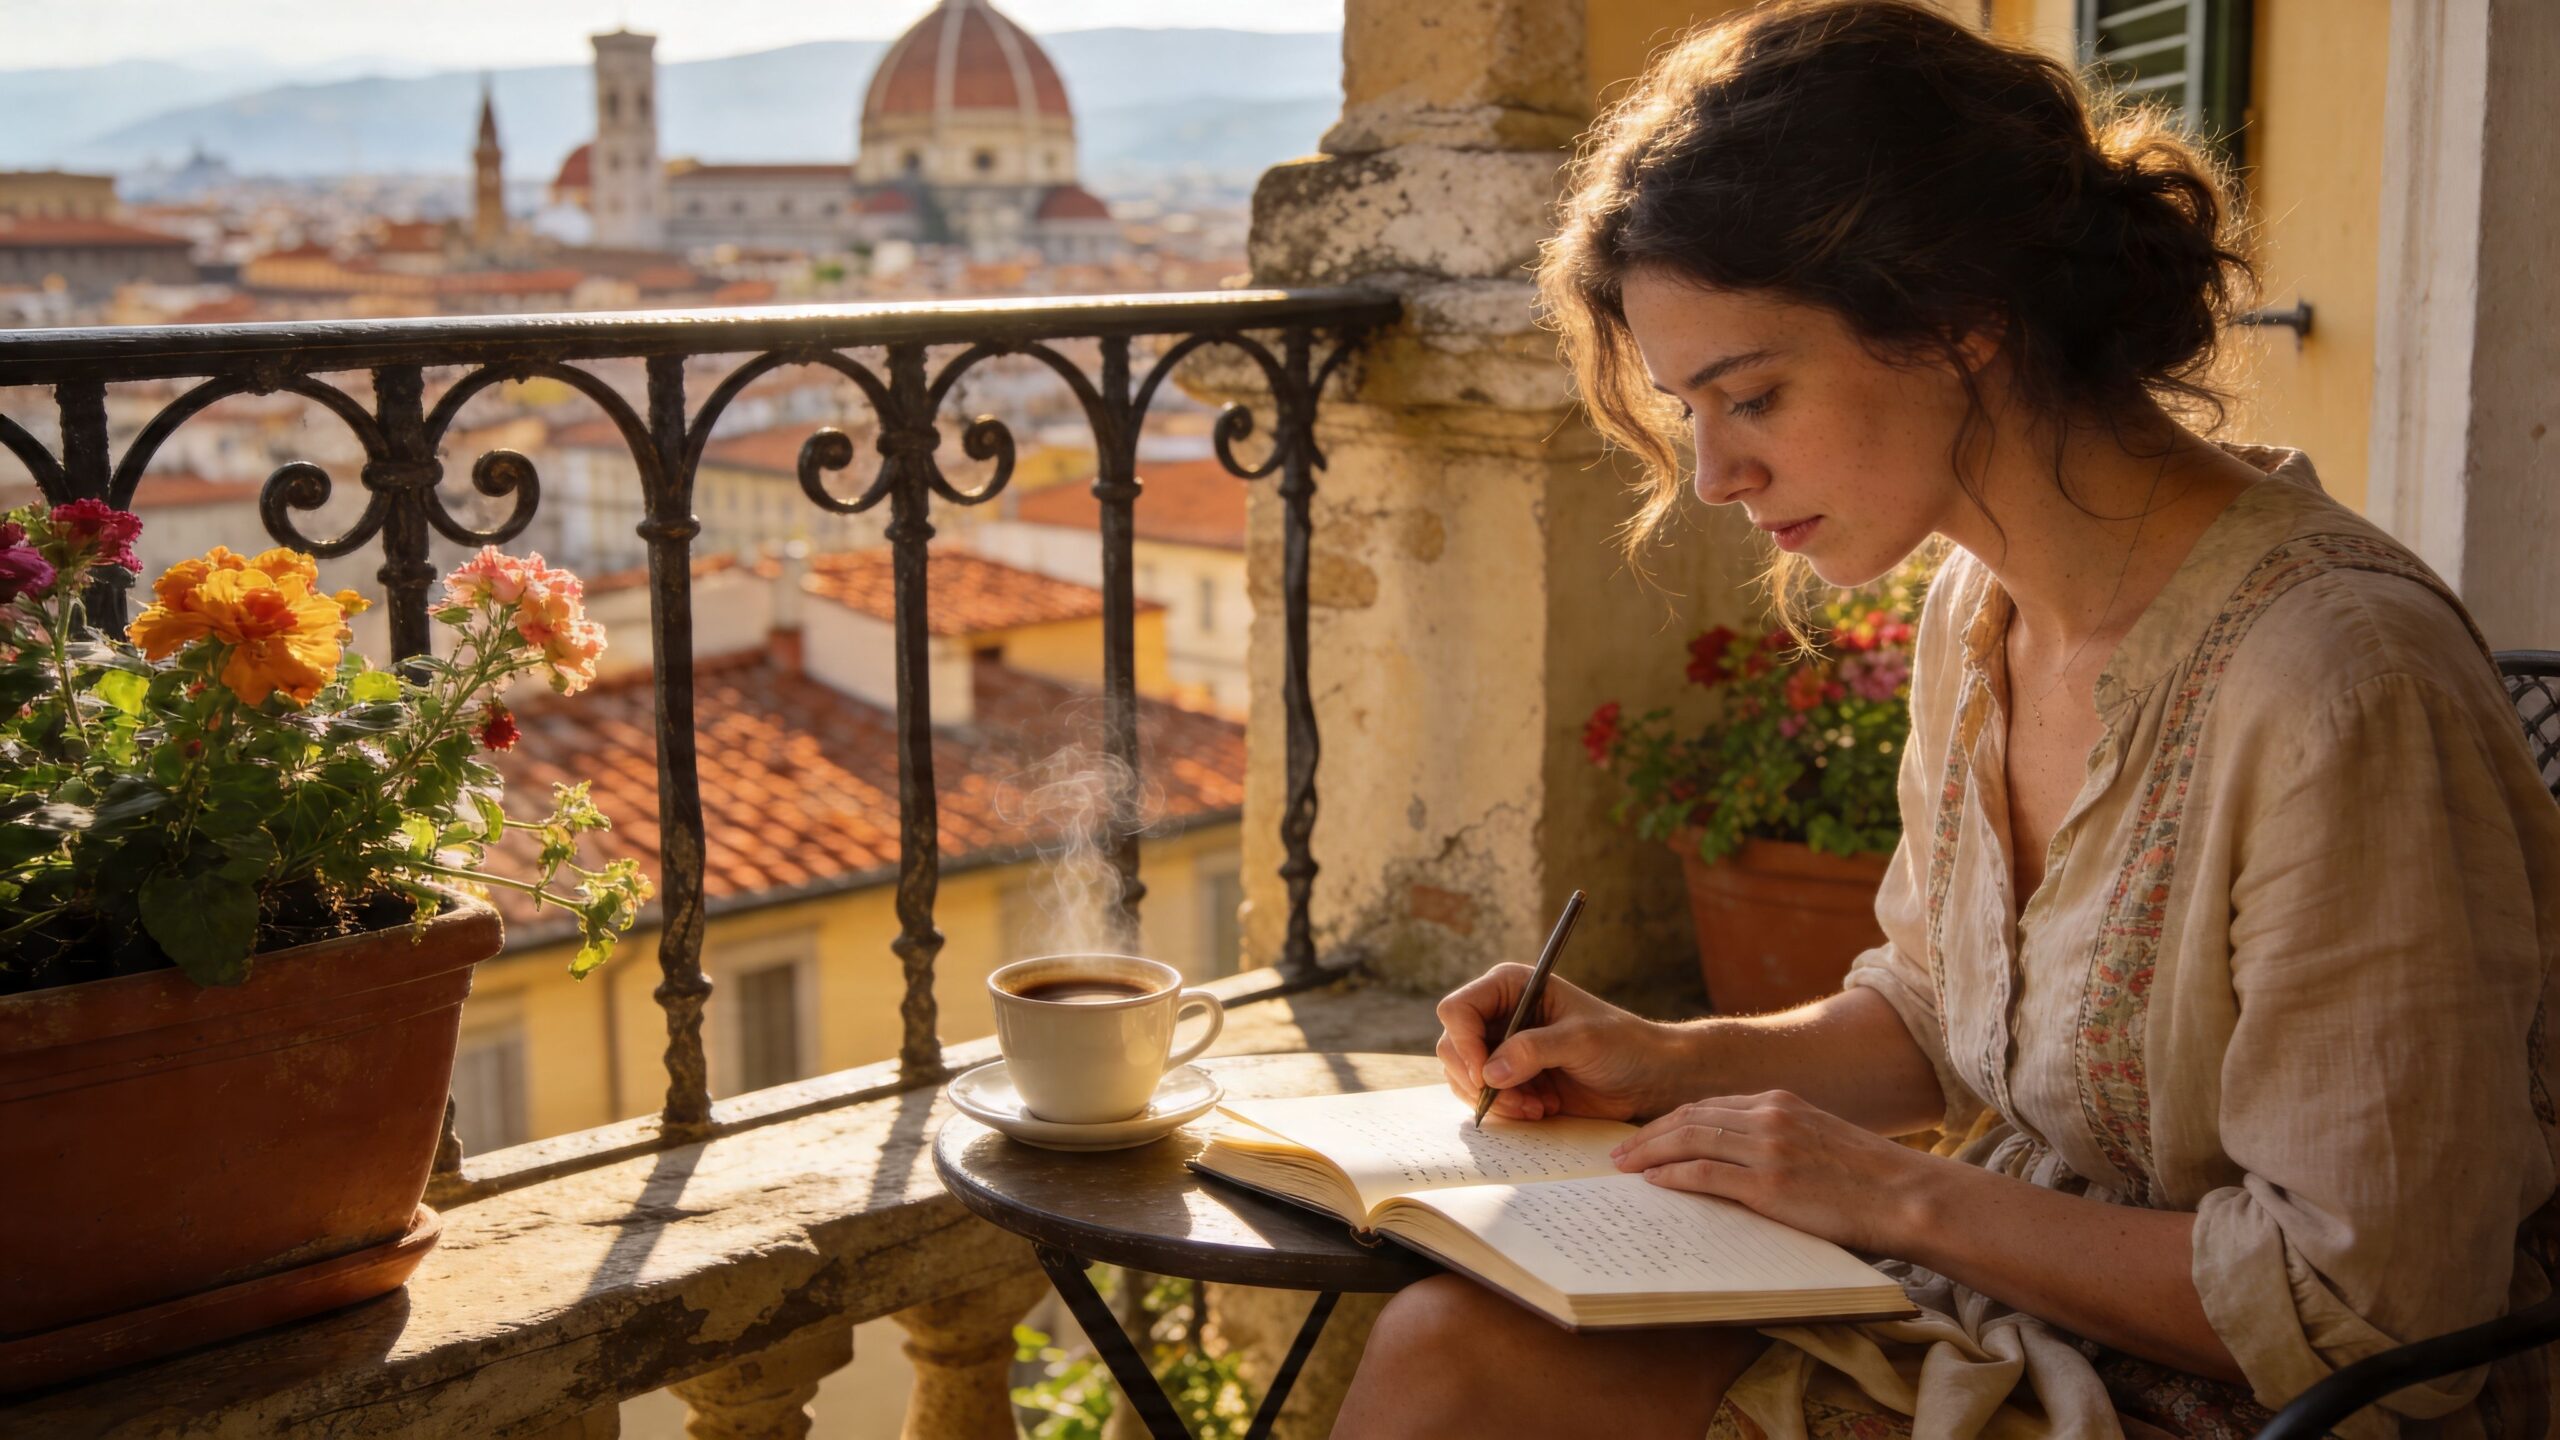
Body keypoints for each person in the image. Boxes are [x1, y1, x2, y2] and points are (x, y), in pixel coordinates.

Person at [1329, 3, 2560, 1437]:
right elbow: (1939, 1016)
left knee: (1463, 1378)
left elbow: (2383, 1303)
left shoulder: (2341, 687)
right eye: (1689, 413)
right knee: (1450, 1338)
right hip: (2006, 1315)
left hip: (2261, 1408)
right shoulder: (1978, 618)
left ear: (1958, 323)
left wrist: (1898, 1192)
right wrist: (1670, 1057)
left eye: (1753, 396)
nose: (1717, 472)